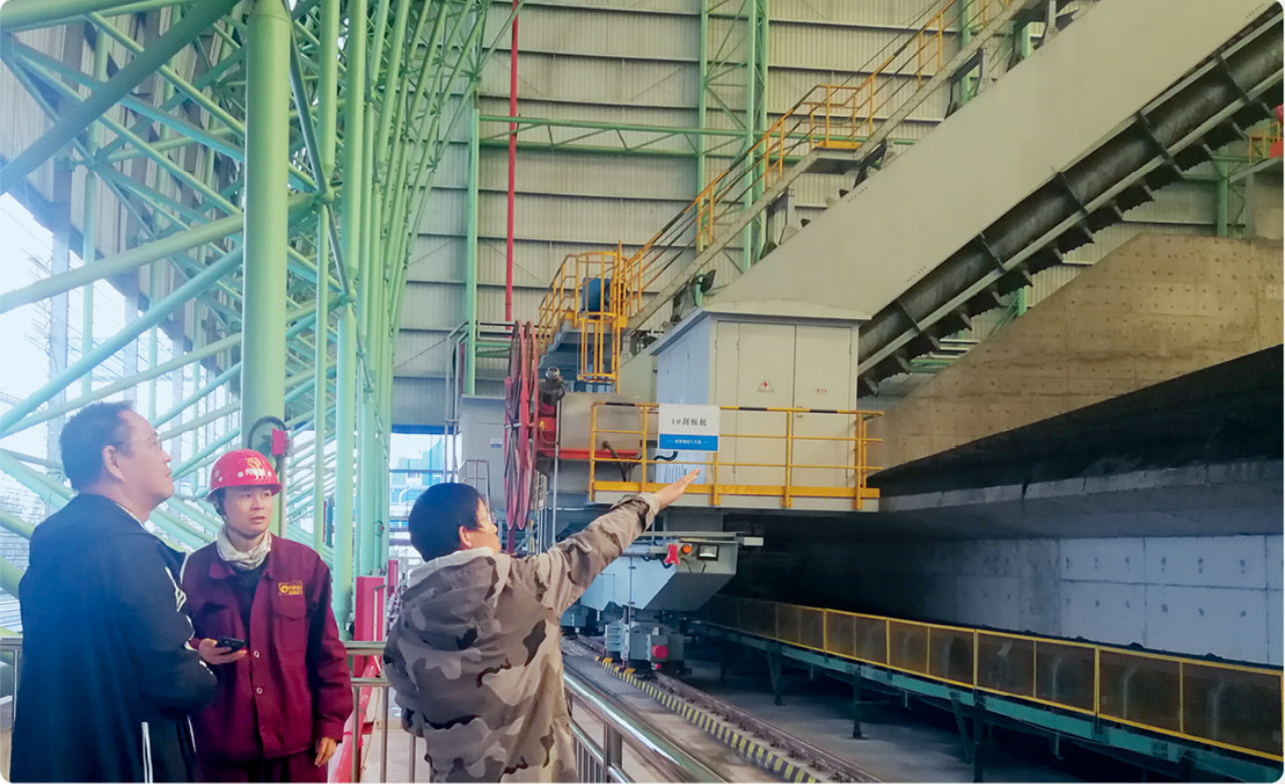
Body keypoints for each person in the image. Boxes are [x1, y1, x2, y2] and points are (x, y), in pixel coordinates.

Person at [384, 469, 701, 782]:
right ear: (466, 536)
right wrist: (651, 502)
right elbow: (595, 544)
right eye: (486, 519)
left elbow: (413, 718)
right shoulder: (528, 583)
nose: (494, 528)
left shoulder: (405, 629)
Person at [12, 401, 217, 782]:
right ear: (113, 459)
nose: (166, 456)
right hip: (127, 758)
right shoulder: (132, 550)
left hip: (56, 755)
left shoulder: (52, 539)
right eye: (154, 442)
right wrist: (201, 669)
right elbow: (175, 680)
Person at [182, 448, 353, 783]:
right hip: (222, 751)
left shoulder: (305, 566)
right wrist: (198, 649)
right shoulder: (193, 571)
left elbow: (327, 652)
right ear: (219, 503)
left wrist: (331, 723)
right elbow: (173, 643)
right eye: (245, 495)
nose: (259, 504)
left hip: (297, 748)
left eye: (265, 494)